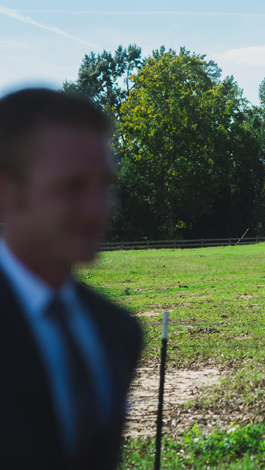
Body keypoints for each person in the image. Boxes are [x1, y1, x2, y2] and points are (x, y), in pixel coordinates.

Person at [0, 88, 142, 469]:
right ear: (7, 191)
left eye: (105, 185)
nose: (99, 209)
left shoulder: (119, 331)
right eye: (73, 186)